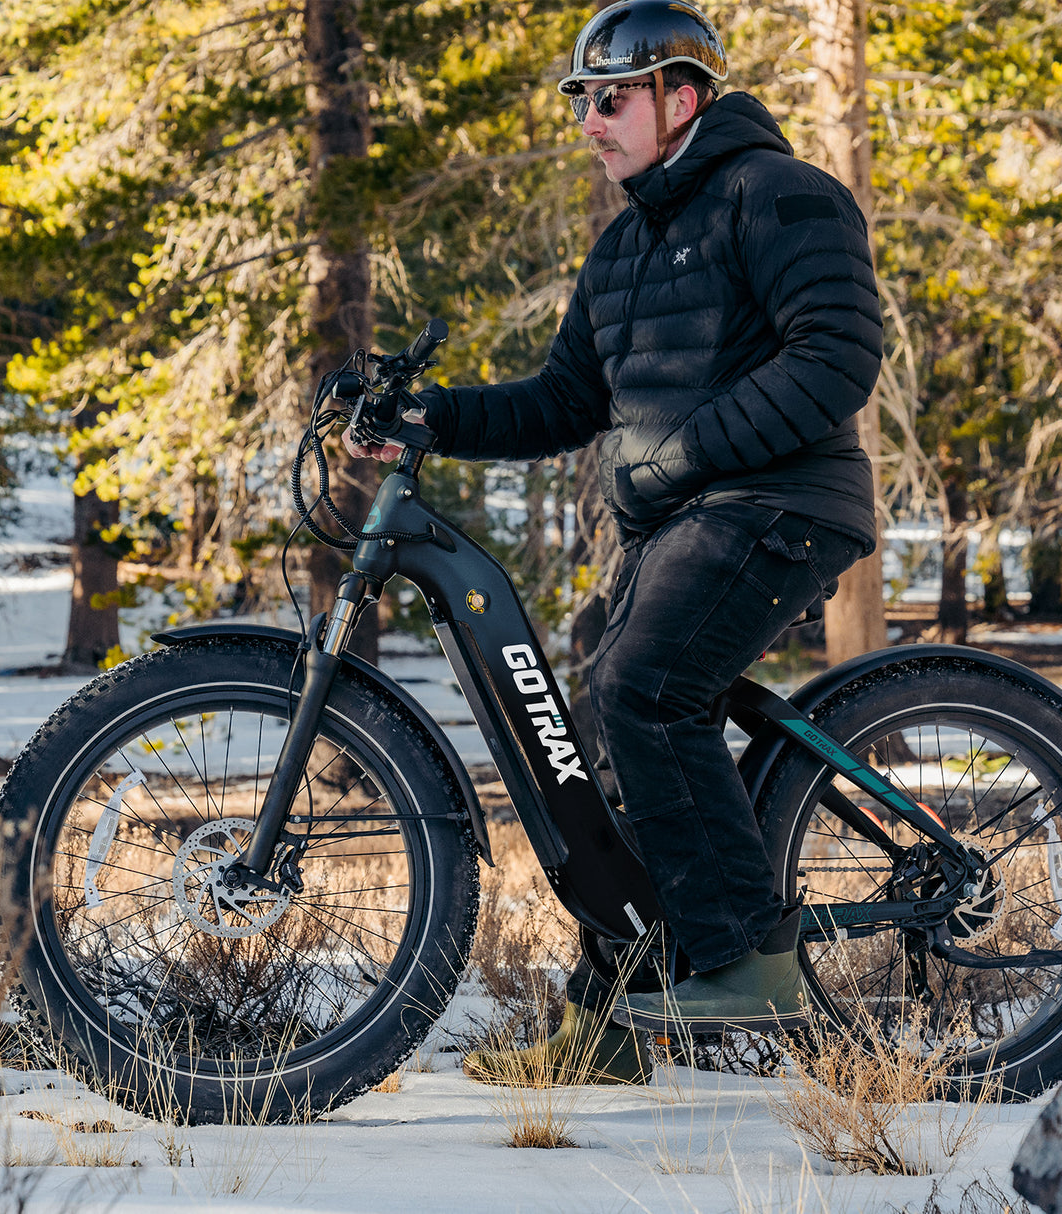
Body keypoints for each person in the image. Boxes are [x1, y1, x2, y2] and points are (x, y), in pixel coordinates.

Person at [346, 0, 883, 1084]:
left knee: (643, 690)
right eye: (581, 103)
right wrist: (433, 417)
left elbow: (836, 354)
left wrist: (684, 455)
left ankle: (744, 960)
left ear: (680, 98)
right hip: (683, 520)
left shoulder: (777, 195)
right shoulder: (620, 248)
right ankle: (611, 1016)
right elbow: (559, 401)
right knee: (593, 747)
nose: (588, 122)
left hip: (777, 505)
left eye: (609, 100)